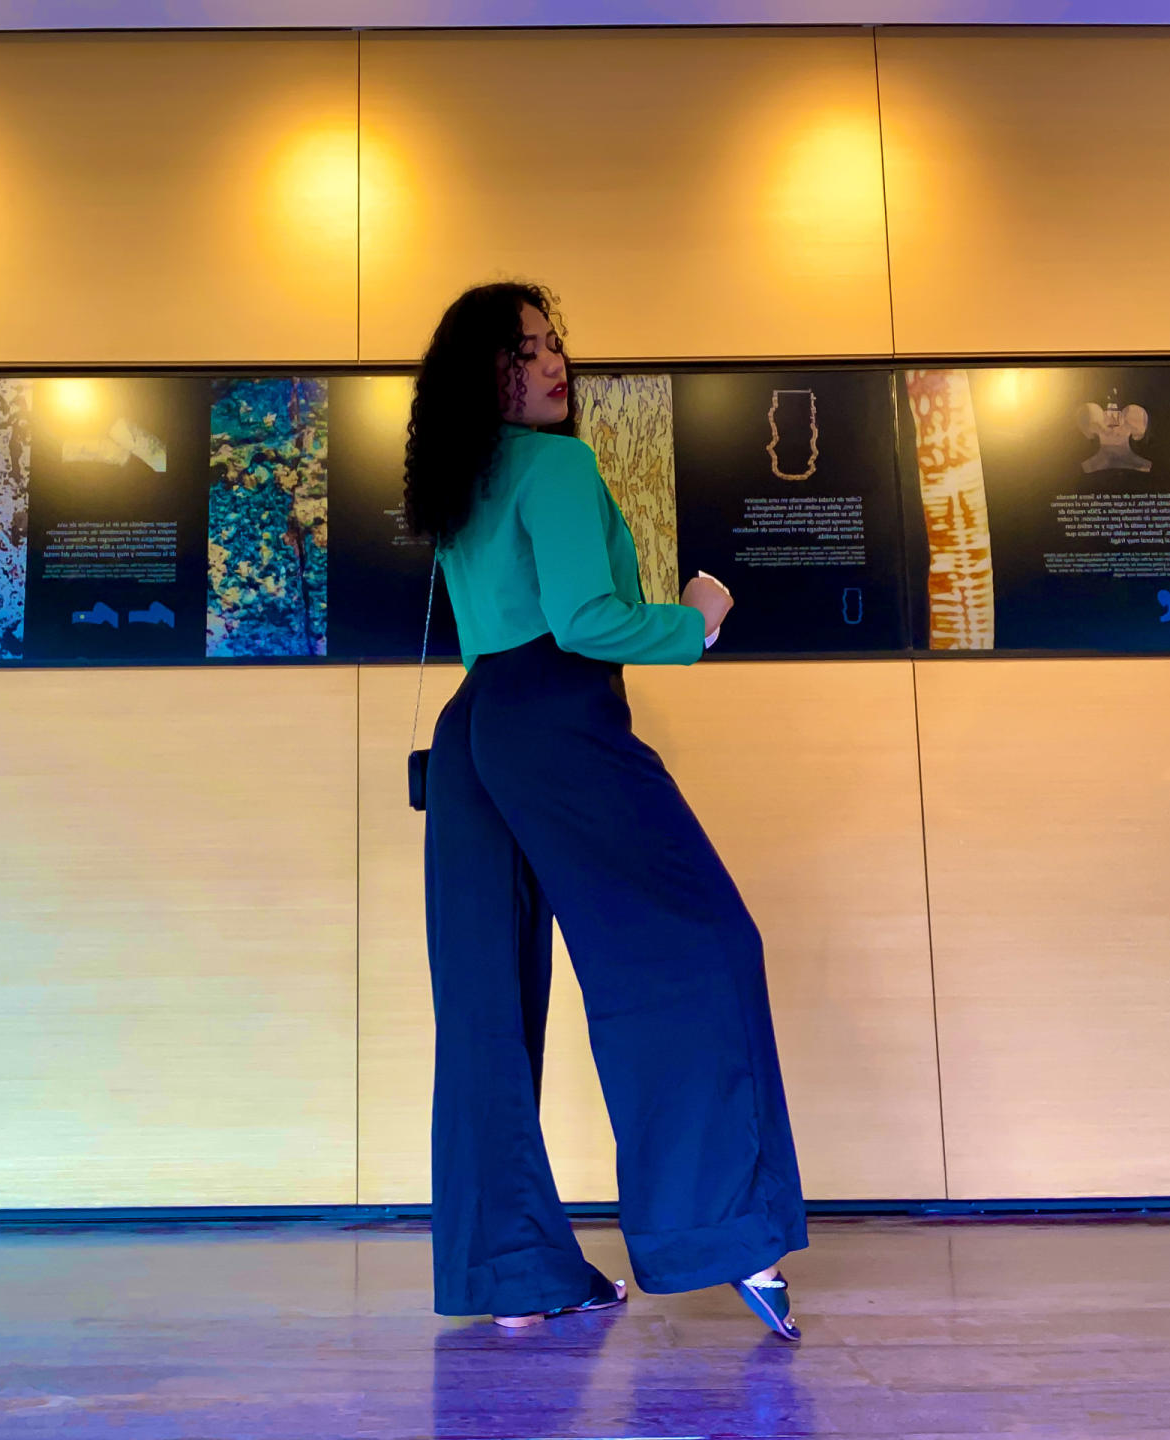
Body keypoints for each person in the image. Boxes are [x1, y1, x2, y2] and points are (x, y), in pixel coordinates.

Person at [405, 282, 808, 1339]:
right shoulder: (556, 465)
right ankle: (727, 1234)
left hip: (473, 729)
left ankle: (514, 1274)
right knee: (700, 944)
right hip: (555, 715)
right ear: (481, 375)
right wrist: (696, 621)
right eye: (523, 351)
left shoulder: (464, 485)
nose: (552, 365)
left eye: (553, 346)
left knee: (486, 1007)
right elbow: (585, 620)